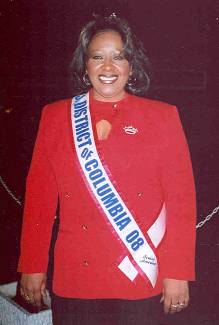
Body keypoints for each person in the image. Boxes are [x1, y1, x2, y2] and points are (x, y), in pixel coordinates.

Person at [18, 14, 196, 325]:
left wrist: (177, 273)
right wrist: (32, 266)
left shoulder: (163, 117)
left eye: (119, 57)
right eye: (97, 57)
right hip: (76, 278)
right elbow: (39, 201)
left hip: (137, 272)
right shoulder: (56, 117)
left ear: (131, 65)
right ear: (85, 65)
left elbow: (181, 203)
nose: (108, 67)